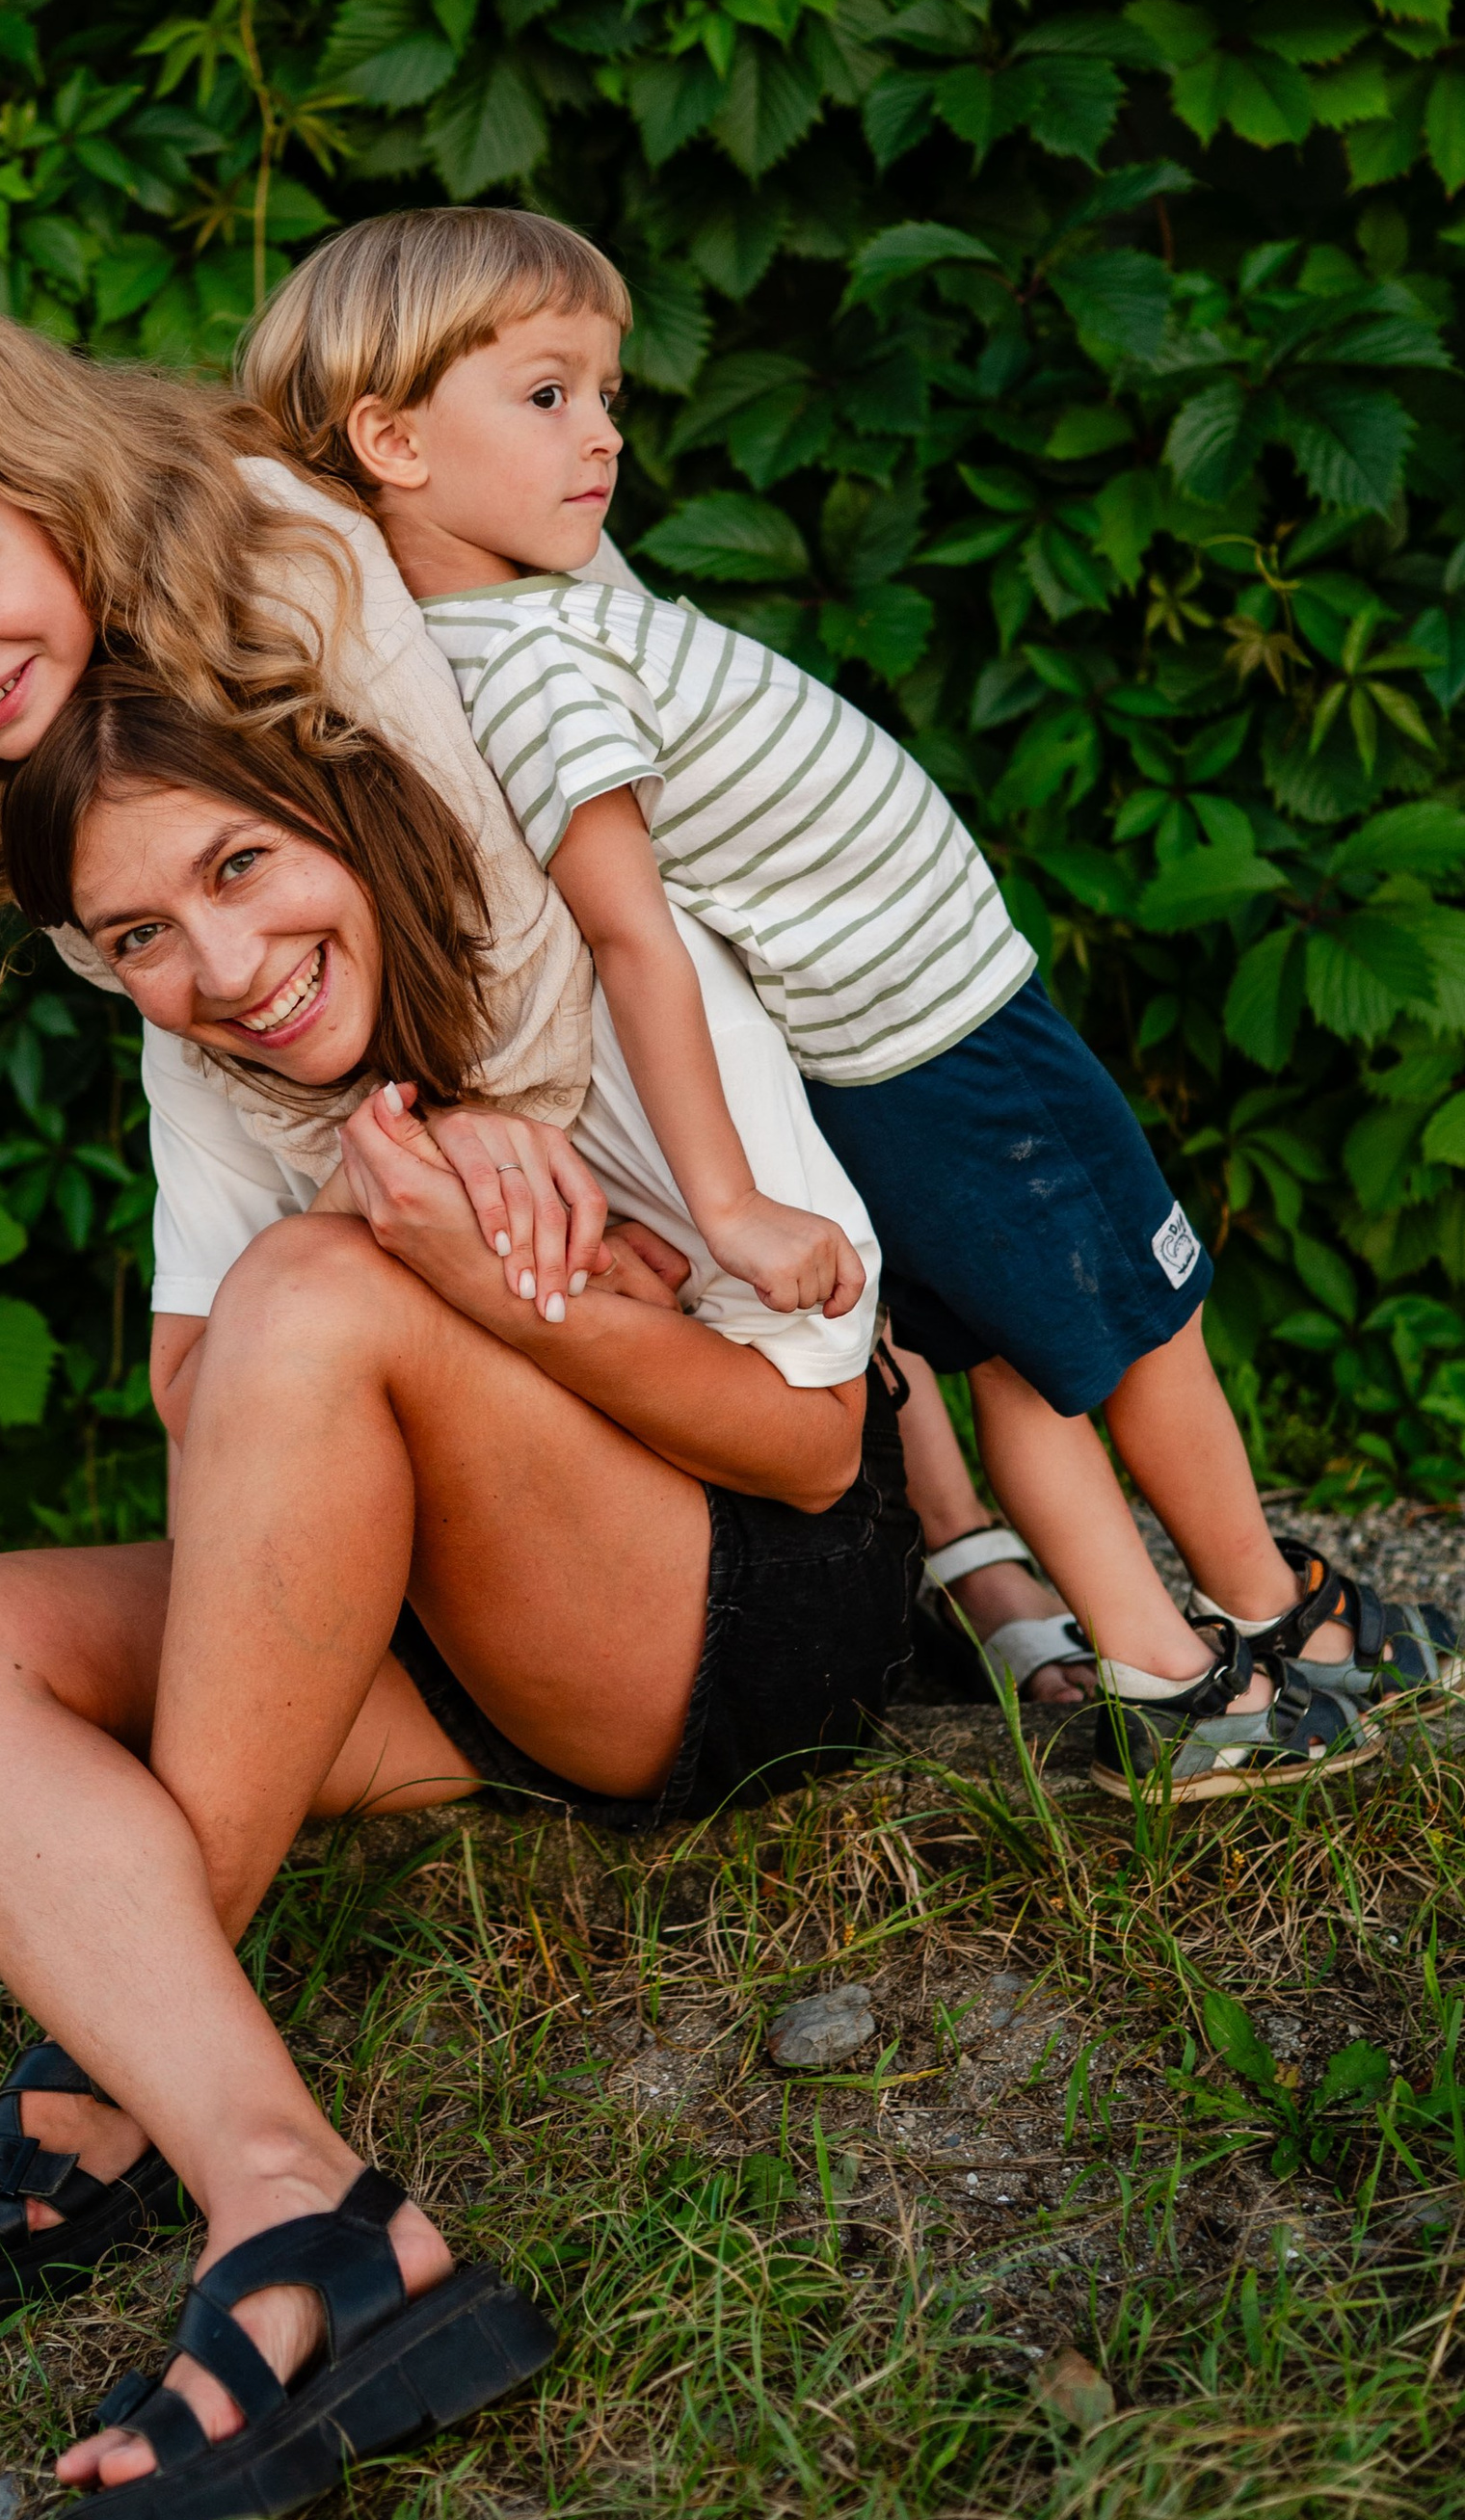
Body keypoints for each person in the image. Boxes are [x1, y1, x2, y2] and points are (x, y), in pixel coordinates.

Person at [0, 684, 922, 2520]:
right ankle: (282, 2184)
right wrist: (349, 1213)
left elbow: (815, 1435)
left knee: (319, 1291)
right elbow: (204, 1396)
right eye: (140, 938)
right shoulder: (216, 1053)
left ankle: (98, 2076)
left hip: (735, 1608)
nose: (224, 964)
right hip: (442, 1611)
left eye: (241, 867)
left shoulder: (578, 964)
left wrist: (460, 1282)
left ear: (337, 804)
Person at [239, 204, 1455, 1794]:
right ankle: (1273, 1623)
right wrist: (732, 1203)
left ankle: (1173, 1673)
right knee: (1145, 1325)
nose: (602, 433)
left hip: (920, 1038)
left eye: (609, 392)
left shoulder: (527, 602)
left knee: (1023, 1356)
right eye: (546, 395)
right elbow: (630, 940)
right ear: (392, 440)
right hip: (942, 1042)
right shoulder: (526, 665)